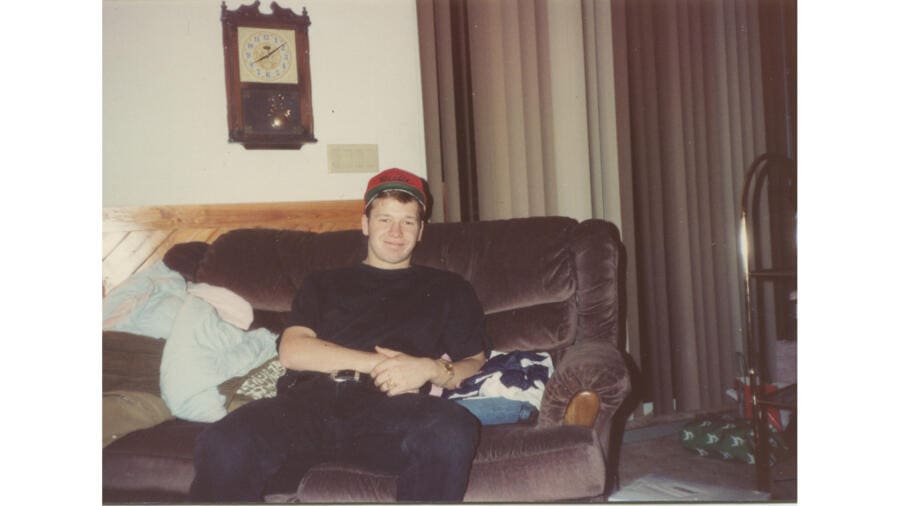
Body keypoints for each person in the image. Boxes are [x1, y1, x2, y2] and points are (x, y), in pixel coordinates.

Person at [189, 168, 491, 502]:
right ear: (365, 224)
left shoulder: (449, 288)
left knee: (451, 429)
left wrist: (430, 369)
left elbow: (475, 361)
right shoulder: (324, 283)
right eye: (384, 219)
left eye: (408, 221)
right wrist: (379, 364)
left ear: (421, 230)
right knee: (224, 440)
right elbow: (292, 350)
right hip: (308, 405)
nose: (396, 232)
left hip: (392, 411)